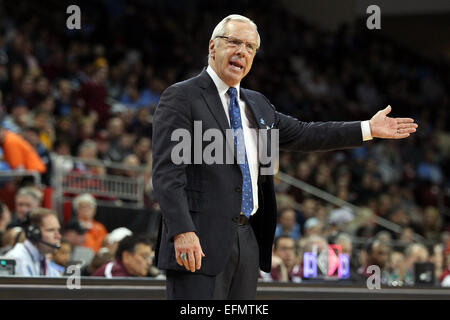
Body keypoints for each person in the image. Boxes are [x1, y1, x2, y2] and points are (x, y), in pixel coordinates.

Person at [151, 14, 418, 300]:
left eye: (250, 47)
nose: (242, 51)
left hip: (247, 239)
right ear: (212, 47)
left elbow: (307, 133)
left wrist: (367, 128)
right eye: (234, 43)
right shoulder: (182, 97)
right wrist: (182, 232)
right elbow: (168, 174)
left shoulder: (257, 104)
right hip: (198, 240)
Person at [4, 208, 62, 277]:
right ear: (34, 233)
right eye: (51, 230)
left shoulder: (42, 259)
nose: (58, 236)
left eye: (58, 230)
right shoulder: (17, 260)